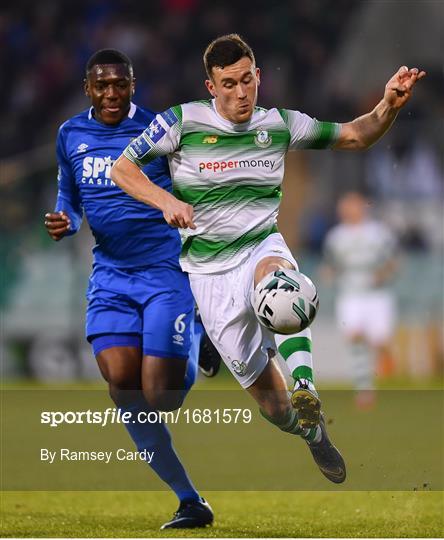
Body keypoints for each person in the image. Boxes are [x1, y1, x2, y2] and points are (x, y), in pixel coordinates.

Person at [110, 34, 425, 484]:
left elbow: (355, 136)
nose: (241, 93)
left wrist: (388, 106)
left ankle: (305, 385)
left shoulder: (279, 124)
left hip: (261, 246)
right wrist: (164, 200)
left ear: (258, 76)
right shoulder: (180, 122)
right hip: (208, 275)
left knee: (281, 284)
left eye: (247, 81)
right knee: (274, 409)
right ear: (211, 86)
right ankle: (311, 431)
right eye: (229, 84)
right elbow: (122, 167)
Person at [44, 49, 214, 529]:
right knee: (123, 386)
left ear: (133, 85)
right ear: (88, 89)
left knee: (162, 395)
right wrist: (67, 220)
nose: (112, 93)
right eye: (103, 85)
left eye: (120, 84)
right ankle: (189, 500)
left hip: (163, 272)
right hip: (111, 277)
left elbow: (189, 186)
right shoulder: (70, 134)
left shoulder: (157, 131)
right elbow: (69, 196)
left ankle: (201, 334)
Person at [321, 191, 399, 409]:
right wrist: (328, 273)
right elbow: (331, 264)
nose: (347, 210)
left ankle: (386, 358)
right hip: (350, 294)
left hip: (377, 295)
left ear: (362, 207)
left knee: (379, 341)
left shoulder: (379, 233)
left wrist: (383, 274)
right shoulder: (335, 237)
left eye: (352, 206)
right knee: (354, 337)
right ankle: (364, 390)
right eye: (344, 206)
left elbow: (394, 261)